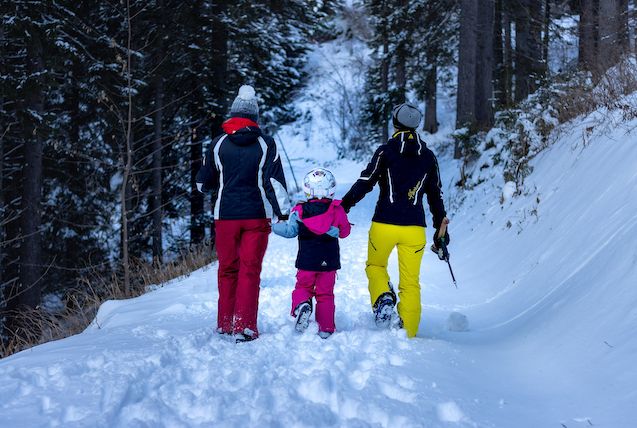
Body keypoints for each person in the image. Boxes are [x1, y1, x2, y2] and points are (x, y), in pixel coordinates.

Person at [341, 103, 449, 338]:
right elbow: (435, 195)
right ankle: (408, 332)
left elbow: (366, 181)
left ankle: (383, 298)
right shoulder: (429, 157)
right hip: (415, 229)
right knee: (411, 283)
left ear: (395, 123)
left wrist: (344, 206)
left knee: (376, 266)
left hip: (384, 225)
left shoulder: (386, 151)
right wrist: (441, 232)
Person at [196, 85, 290, 343]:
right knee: (250, 271)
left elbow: (202, 184)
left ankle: (225, 324)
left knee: (227, 269)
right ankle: (245, 327)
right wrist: (283, 214)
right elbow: (275, 183)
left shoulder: (218, 144)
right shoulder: (266, 144)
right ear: (255, 117)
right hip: (257, 216)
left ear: (233, 114)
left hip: (225, 216)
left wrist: (221, 182)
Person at [272, 168, 351, 339]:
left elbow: (289, 231)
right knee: (325, 294)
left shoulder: (299, 211)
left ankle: (302, 305)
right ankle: (326, 328)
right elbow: (344, 233)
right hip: (329, 263)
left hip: (306, 261)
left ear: (307, 189)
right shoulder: (337, 210)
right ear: (331, 189)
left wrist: (273, 226)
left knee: (303, 287)